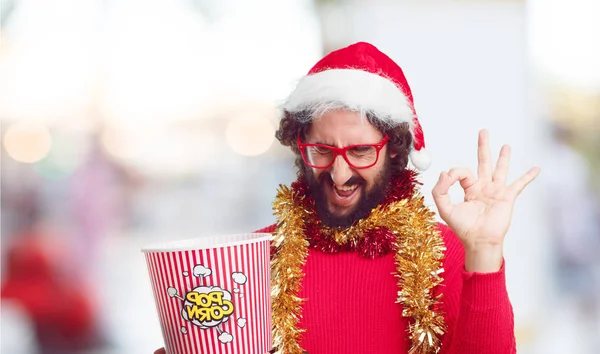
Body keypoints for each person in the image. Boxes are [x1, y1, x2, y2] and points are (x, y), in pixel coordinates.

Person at [155, 42, 540, 354]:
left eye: (359, 151)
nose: (339, 175)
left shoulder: (447, 252)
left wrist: (486, 249)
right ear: (299, 144)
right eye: (321, 150)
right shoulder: (253, 259)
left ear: (394, 150)